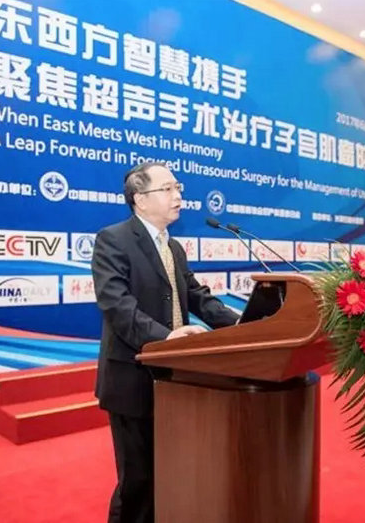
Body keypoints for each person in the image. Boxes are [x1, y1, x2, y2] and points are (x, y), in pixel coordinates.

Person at [92, 161, 239, 523]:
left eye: (178, 188)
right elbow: (118, 307)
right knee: (137, 483)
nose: (178, 196)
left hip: (175, 378)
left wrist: (243, 324)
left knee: (169, 473)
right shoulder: (113, 240)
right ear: (140, 199)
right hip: (132, 378)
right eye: (168, 188)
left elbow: (198, 297)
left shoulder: (172, 247)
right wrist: (167, 337)